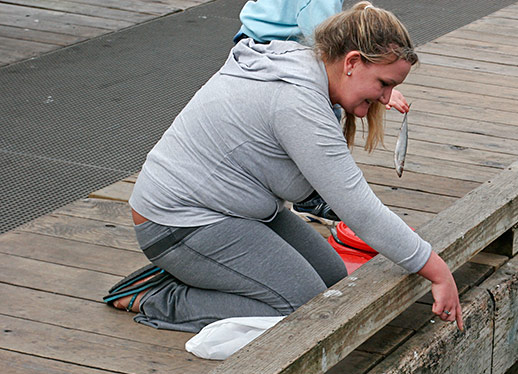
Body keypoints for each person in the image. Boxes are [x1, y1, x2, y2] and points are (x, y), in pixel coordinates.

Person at [106, 2, 463, 333]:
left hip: (235, 212)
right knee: (300, 307)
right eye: (384, 84)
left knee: (330, 278)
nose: (386, 98)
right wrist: (437, 270)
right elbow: (360, 212)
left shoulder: (308, 71)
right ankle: (158, 298)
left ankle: (202, 274)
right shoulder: (296, 101)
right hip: (177, 222)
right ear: (351, 62)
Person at [236, 0, 409, 221]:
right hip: (268, 47)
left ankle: (304, 192)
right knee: (321, 111)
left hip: (270, 40)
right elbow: (325, 43)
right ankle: (309, 198)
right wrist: (375, 85)